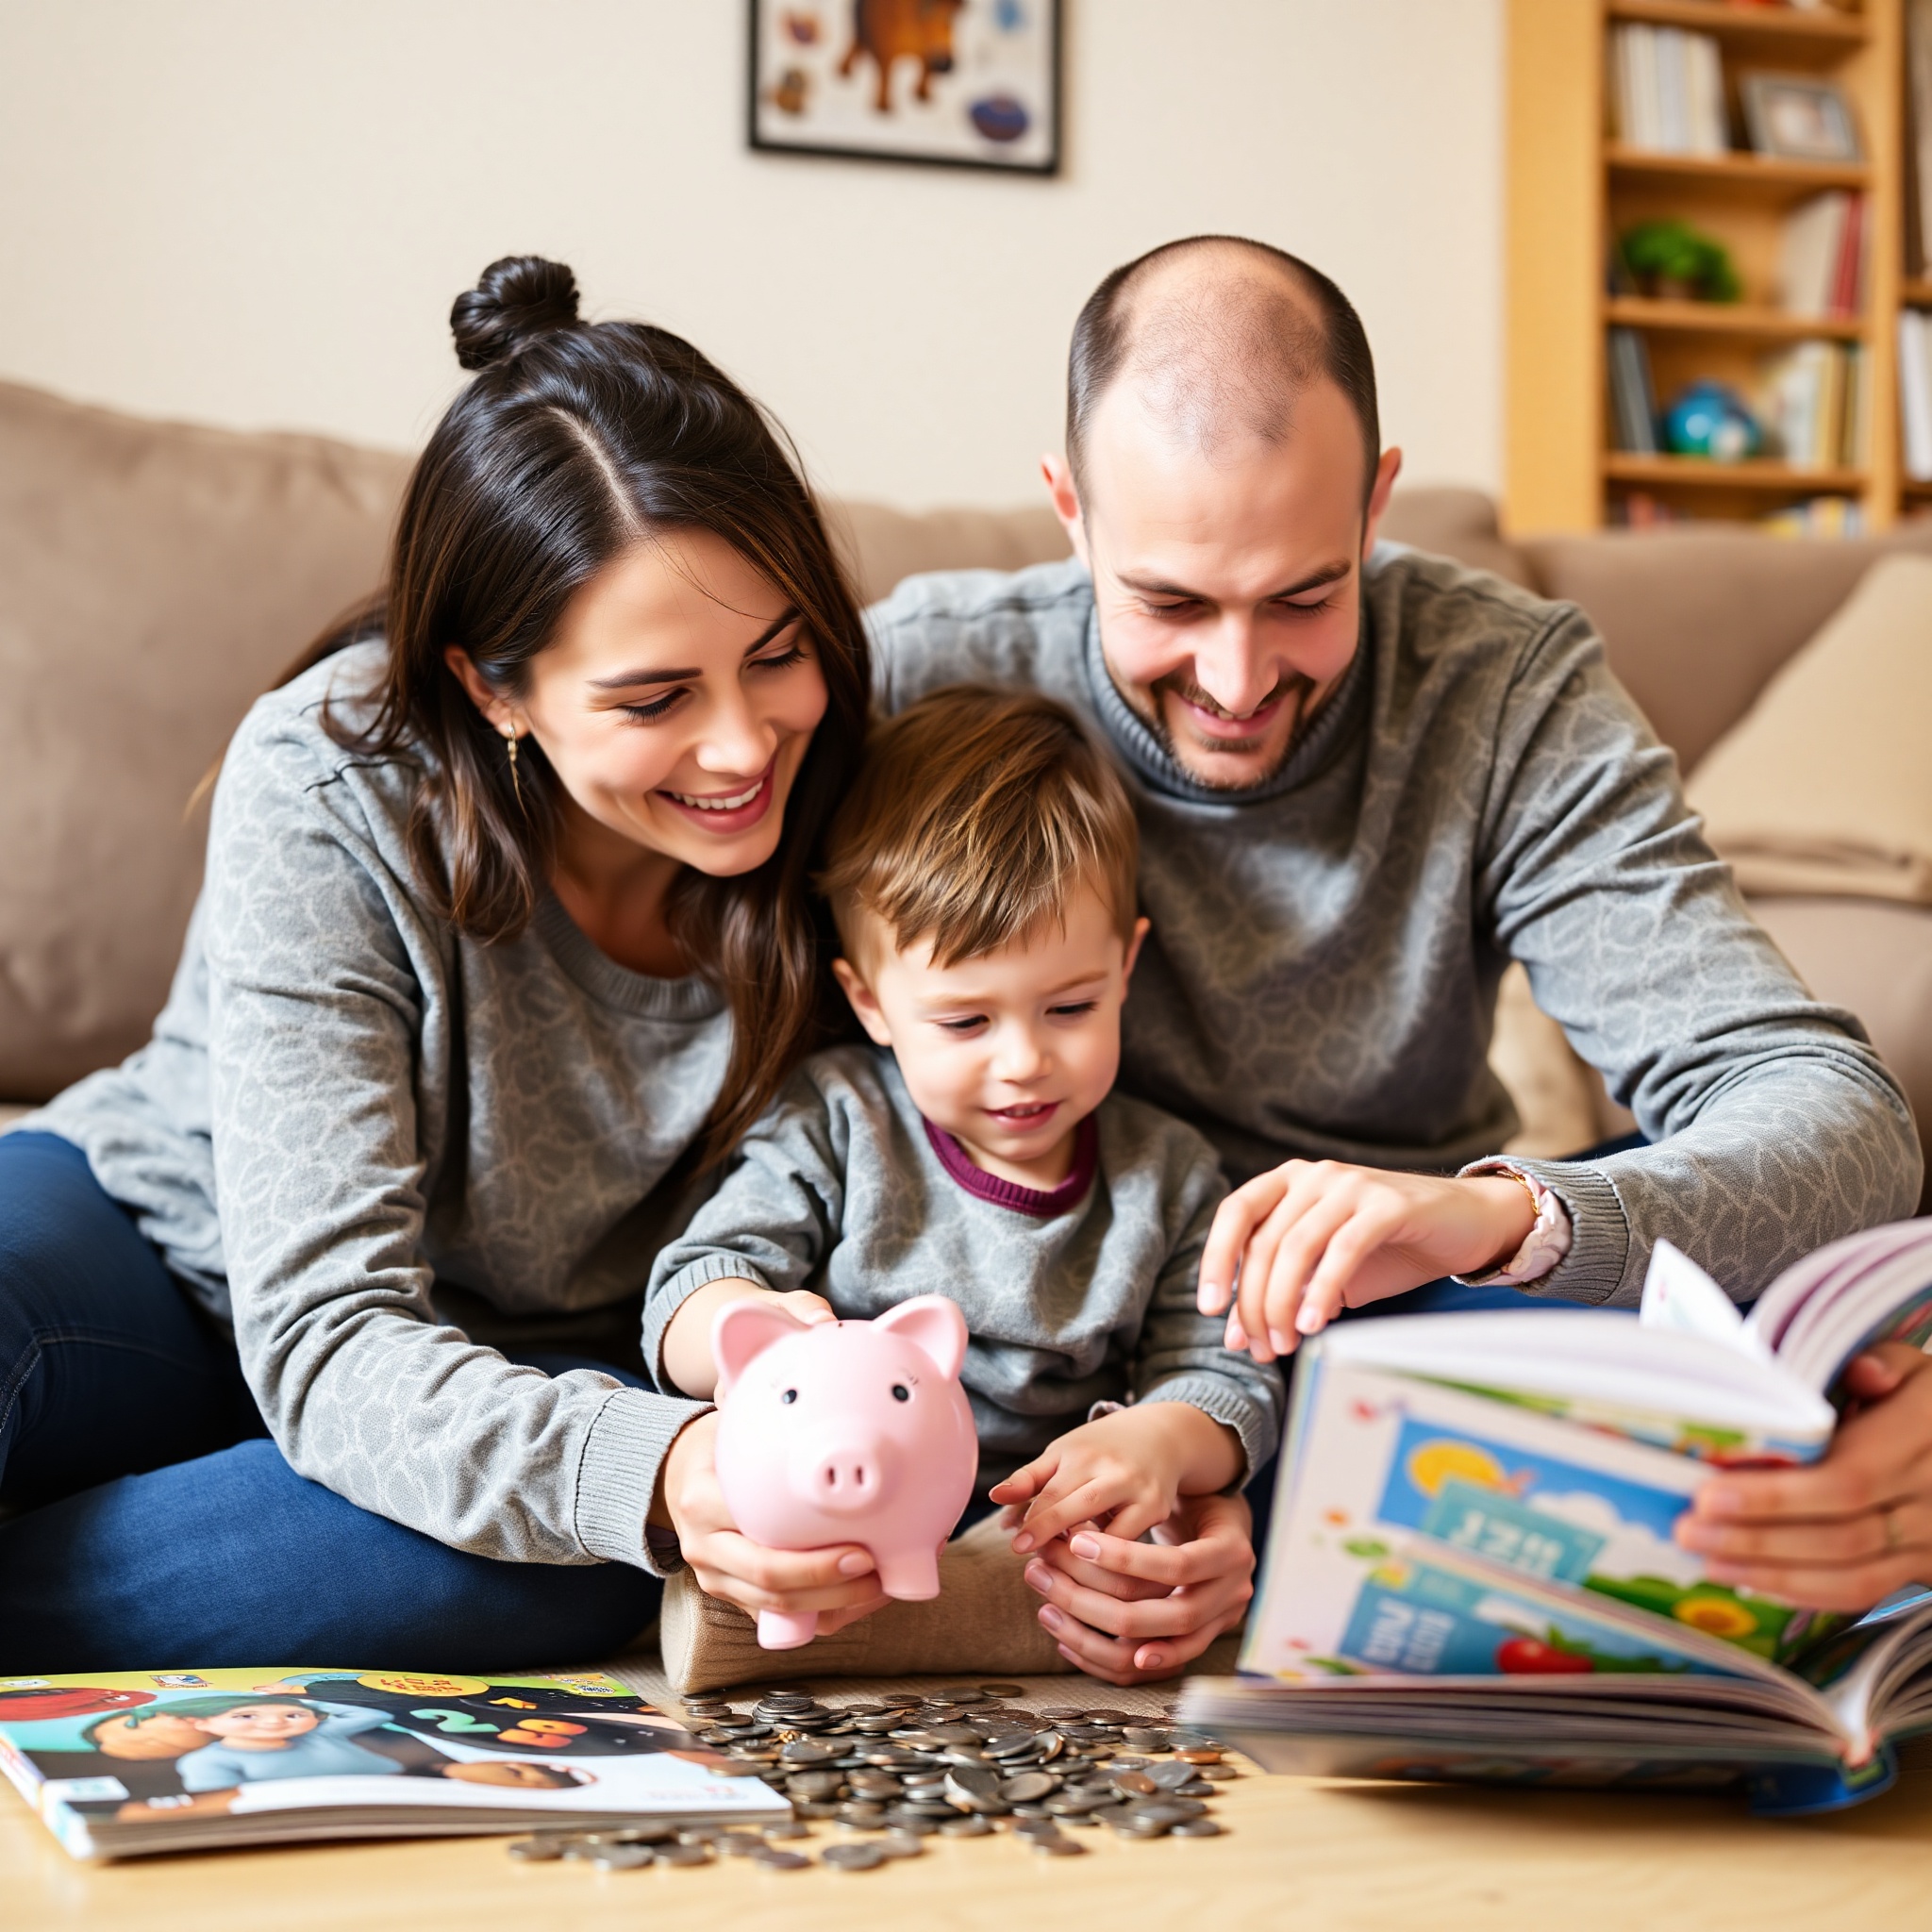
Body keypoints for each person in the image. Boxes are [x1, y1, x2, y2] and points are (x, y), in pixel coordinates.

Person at [866, 233, 1924, 1681]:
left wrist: (1496, 1220)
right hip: (1021, 1320)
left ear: (1376, 502)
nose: (1237, 685)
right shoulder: (915, 677)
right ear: (1070, 514)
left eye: (1305, 594)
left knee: (1842, 1384)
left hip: (1390, 1321)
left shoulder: (1501, 687)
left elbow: (1836, 1119)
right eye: (1170, 604)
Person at [0, 255, 892, 1668]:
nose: (743, 745)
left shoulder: (870, 748)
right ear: (492, 686)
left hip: (524, 1368)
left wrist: (657, 1474)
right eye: (656, 697)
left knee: (572, 1551)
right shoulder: (332, 776)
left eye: (778, 655)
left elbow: (1112, 619)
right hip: (175, 1255)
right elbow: (329, 1330)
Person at [644, 686, 1282, 1671]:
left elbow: (1225, 1372)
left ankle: (969, 1612)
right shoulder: (839, 1122)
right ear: (869, 1001)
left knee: (1139, 1550)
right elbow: (698, 1276)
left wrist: (1161, 1440)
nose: (1022, 1060)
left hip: (1039, 1523)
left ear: (1126, 967)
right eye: (965, 1021)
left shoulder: (1167, 1175)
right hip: (847, 1487)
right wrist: (763, 1334)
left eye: (1069, 1006)